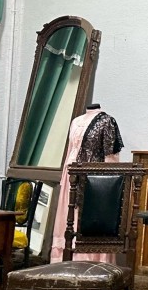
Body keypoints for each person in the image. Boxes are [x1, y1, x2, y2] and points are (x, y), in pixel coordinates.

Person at [49, 105, 124, 263]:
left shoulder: (107, 121)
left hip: (92, 180)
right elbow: (70, 150)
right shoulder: (76, 121)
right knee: (68, 218)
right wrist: (64, 178)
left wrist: (107, 186)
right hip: (70, 175)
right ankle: (63, 260)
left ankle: (89, 261)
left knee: (86, 218)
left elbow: (111, 158)